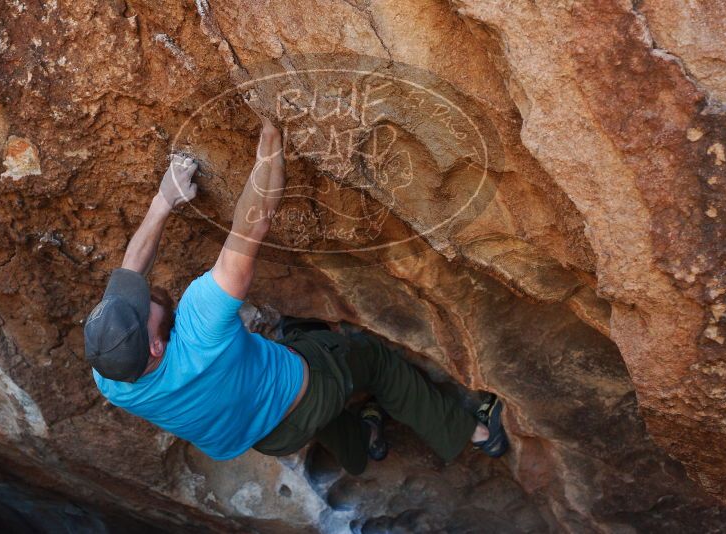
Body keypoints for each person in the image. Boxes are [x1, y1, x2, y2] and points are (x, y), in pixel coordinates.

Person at [83, 116, 508, 475]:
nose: (132, 297)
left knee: (296, 344)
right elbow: (251, 228)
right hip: (309, 387)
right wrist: (270, 138)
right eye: (142, 312)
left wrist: (163, 201)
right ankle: (477, 433)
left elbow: (129, 274)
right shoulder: (201, 323)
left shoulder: (112, 377)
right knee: (372, 359)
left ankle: (365, 444)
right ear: (157, 344)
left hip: (267, 437)